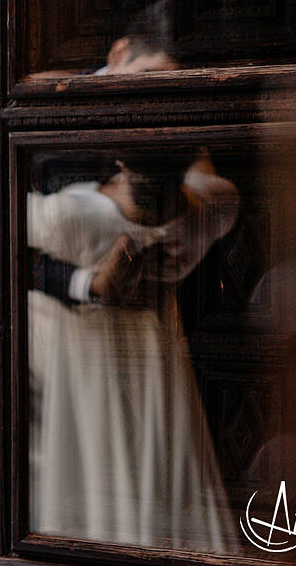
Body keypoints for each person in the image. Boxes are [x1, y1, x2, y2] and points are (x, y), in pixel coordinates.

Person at [28, 152, 240, 551]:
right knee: (159, 463)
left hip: (86, 357)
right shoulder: (210, 210)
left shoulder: (71, 215)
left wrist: (89, 283)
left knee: (92, 468)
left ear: (121, 163)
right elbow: (207, 175)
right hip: (158, 356)